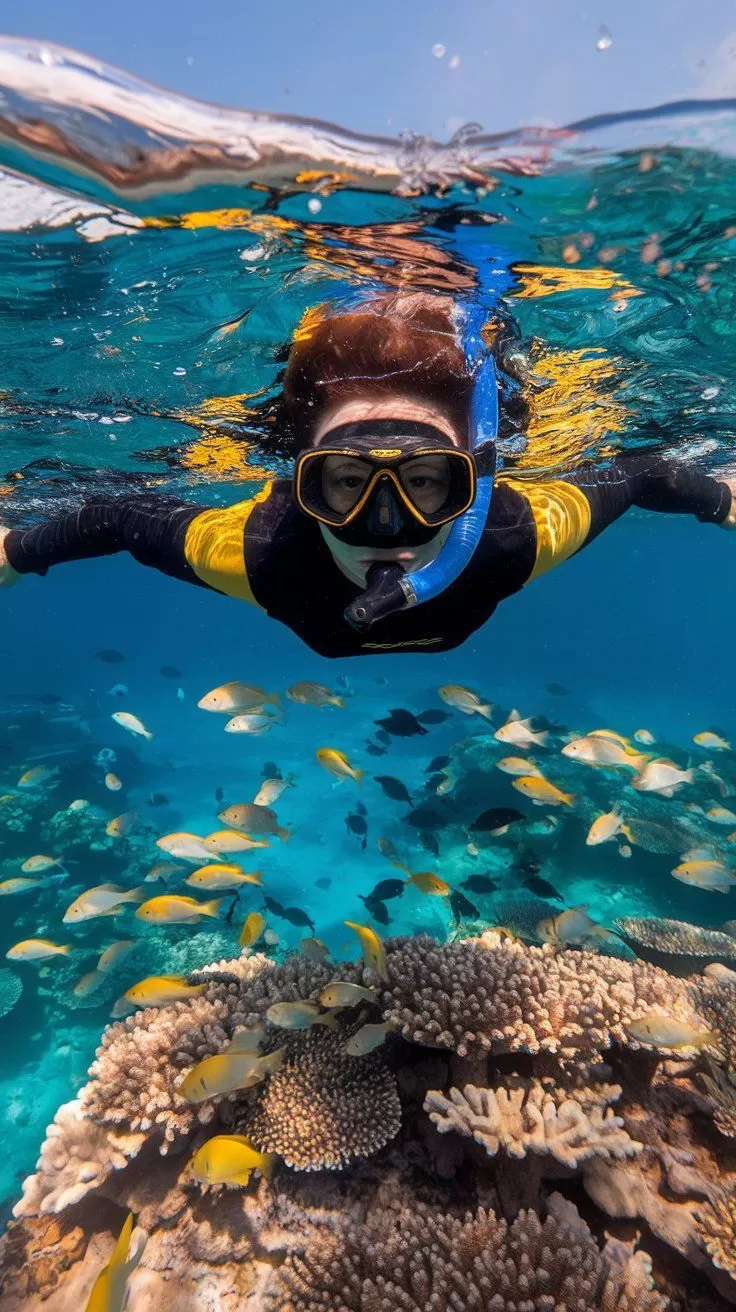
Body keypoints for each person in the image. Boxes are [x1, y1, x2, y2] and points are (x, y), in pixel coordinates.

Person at [1, 286, 734, 658]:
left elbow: (643, 474)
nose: (387, 526)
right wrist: (15, 548)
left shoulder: (510, 536)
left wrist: (721, 496)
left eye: (426, 480)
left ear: (475, 484)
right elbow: (116, 516)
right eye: (348, 481)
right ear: (300, 478)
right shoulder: (266, 554)